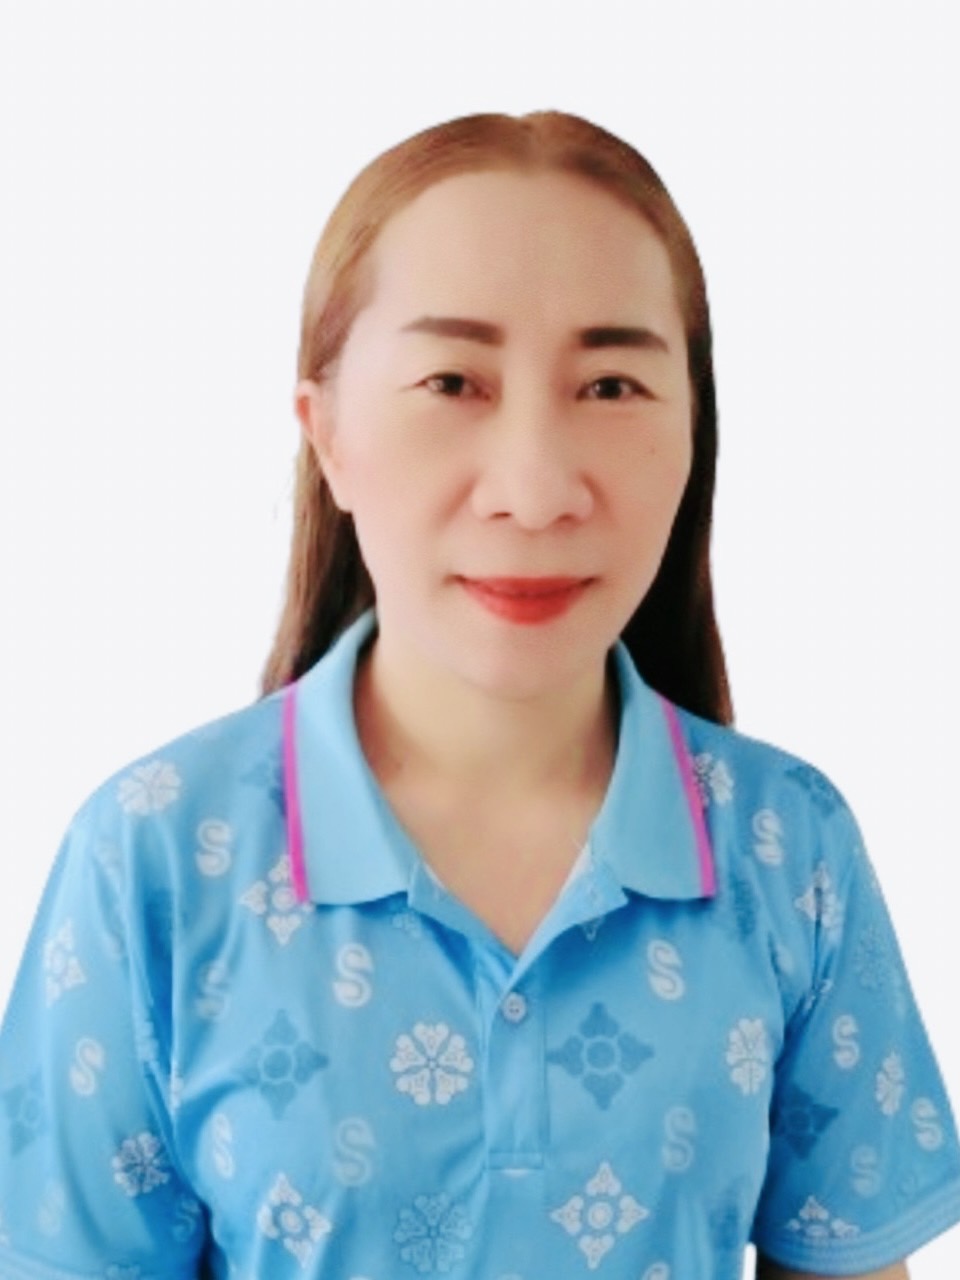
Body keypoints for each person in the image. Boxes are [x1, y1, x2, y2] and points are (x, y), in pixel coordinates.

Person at [0, 109, 958, 1280]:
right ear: (328, 435)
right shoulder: (149, 858)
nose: (535, 489)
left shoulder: (787, 843)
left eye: (611, 384)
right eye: (453, 380)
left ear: (694, 429)